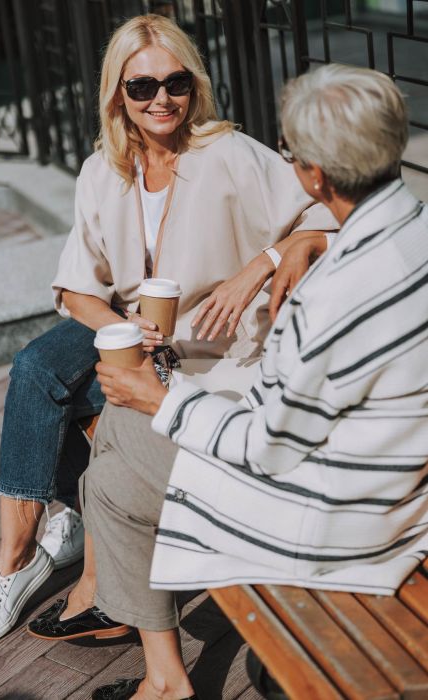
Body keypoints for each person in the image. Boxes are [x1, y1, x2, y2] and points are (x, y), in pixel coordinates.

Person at [0, 14, 335, 646]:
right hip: (136, 336)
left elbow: (328, 213)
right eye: (142, 87)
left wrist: (262, 264)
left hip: (209, 349)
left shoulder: (227, 153)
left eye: (175, 82)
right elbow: (78, 289)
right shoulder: (101, 170)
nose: (160, 98)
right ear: (118, 95)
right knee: (36, 369)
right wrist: (124, 328)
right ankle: (18, 556)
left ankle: (85, 550)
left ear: (193, 86)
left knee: (84, 405)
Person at [78, 63, 428, 700]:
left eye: (292, 155)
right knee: (116, 462)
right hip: (398, 488)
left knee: (122, 436)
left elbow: (269, 446)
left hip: (347, 523)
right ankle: (162, 677)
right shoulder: (415, 234)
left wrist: (165, 398)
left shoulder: (336, 293)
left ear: (314, 175)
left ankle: (164, 678)